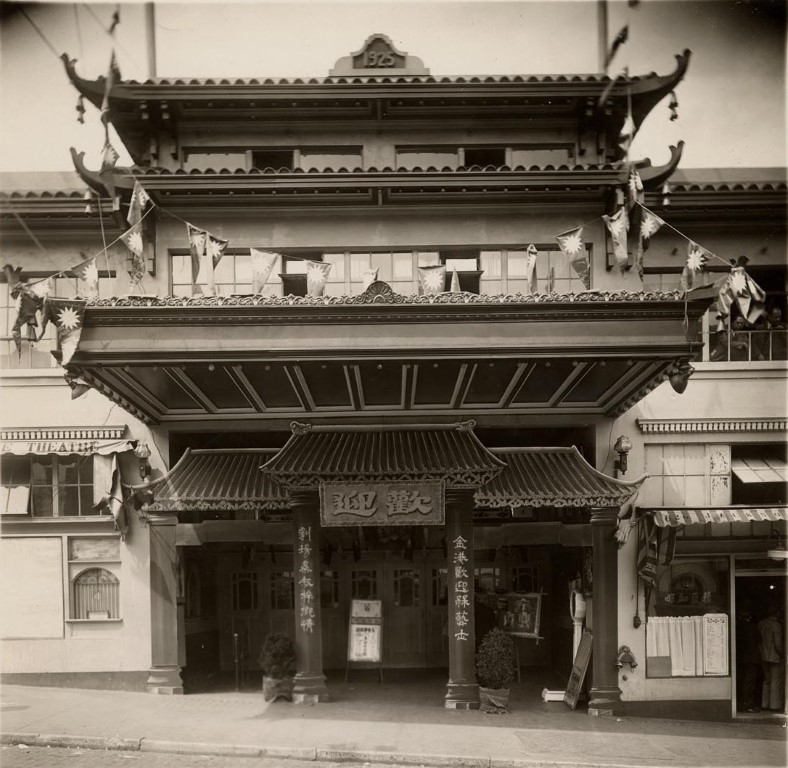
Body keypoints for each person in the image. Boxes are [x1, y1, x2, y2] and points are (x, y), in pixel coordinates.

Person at [758, 600, 785, 712]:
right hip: (774, 656)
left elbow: (759, 640)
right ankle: (775, 705)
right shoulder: (776, 625)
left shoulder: (761, 623)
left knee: (767, 679)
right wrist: (783, 654)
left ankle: (765, 704)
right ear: (777, 613)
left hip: (763, 654)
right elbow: (778, 643)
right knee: (776, 680)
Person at [736, 601, 761, 712]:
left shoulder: (736, 627)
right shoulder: (752, 627)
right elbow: (760, 640)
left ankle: (741, 703)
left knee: (741, 680)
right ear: (749, 617)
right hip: (751, 658)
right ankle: (747, 704)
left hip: (740, 658)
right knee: (749, 682)